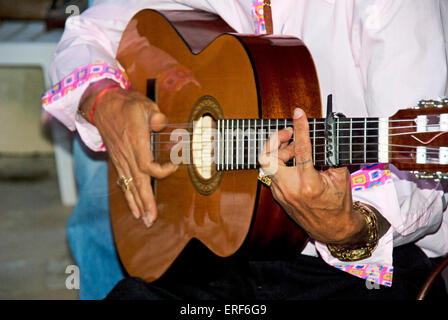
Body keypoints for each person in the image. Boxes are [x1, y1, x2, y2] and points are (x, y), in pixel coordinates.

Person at [42, 0, 448, 299]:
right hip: (222, 249)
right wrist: (105, 101)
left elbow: (422, 192)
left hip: (361, 266)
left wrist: (346, 227)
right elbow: (84, 33)